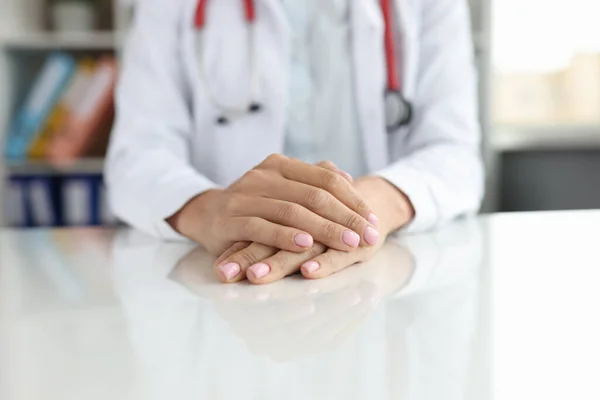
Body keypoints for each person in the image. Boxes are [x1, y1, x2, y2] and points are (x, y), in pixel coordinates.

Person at [105, 0, 483, 285]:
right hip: (227, 278)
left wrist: (366, 210)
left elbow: (454, 153)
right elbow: (136, 156)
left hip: (374, 274)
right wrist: (209, 211)